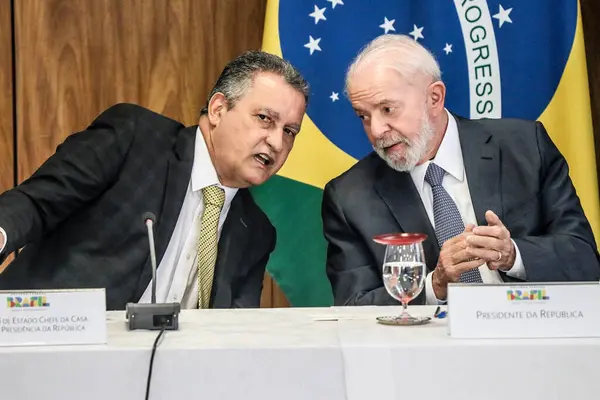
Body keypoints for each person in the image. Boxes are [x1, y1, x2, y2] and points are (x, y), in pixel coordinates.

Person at [0, 50, 308, 310]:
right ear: (218, 109)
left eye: (289, 131)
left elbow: (232, 337)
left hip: (158, 378)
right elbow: (37, 202)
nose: (277, 143)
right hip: (44, 344)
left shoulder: (255, 231)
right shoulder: (136, 140)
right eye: (264, 119)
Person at [322, 34, 600, 306]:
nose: (376, 130)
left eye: (388, 109)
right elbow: (353, 306)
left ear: (434, 98)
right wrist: (435, 284)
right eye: (363, 116)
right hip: (426, 350)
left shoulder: (525, 147)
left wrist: (512, 255)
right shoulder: (349, 197)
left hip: (535, 337)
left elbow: (584, 259)